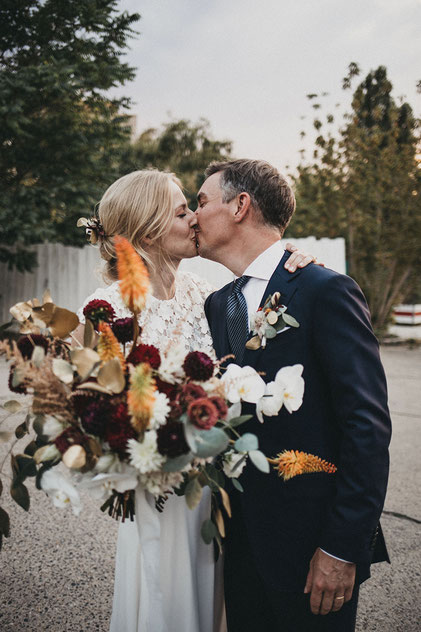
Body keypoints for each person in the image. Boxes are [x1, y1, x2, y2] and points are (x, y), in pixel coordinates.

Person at [75, 169, 315, 632]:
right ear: (147, 230)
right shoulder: (106, 310)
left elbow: (267, 307)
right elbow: (91, 412)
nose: (195, 219)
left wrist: (294, 259)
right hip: (159, 494)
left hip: (220, 493)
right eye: (183, 210)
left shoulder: (208, 295)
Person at [195, 159, 392, 632]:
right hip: (238, 546)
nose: (192, 213)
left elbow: (366, 426)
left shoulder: (324, 289)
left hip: (312, 550)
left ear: (240, 205)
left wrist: (342, 546)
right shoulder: (218, 304)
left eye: (201, 201)